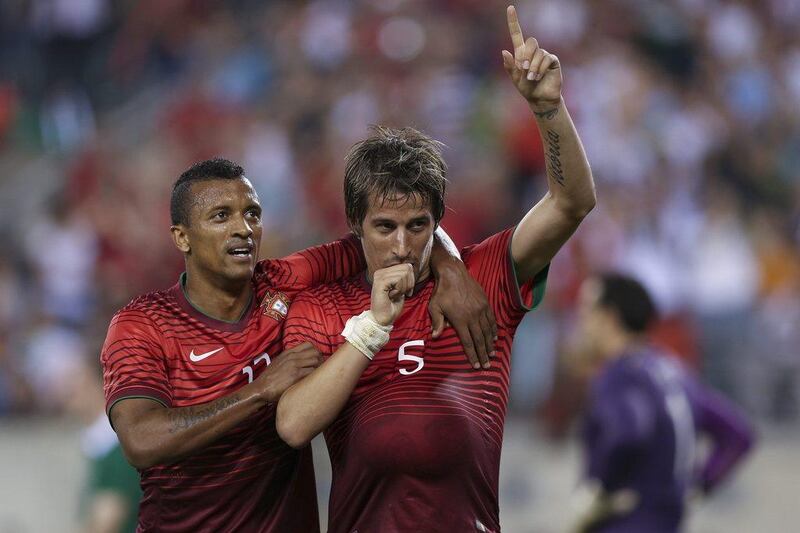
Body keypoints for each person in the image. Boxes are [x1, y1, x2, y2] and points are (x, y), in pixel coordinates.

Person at [275, 6, 596, 531]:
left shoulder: (487, 276)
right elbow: (292, 426)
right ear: (355, 224)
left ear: (439, 220)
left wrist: (549, 109)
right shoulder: (322, 307)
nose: (403, 245)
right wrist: (372, 330)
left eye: (419, 226)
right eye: (384, 228)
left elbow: (572, 204)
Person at [100, 157, 495, 532]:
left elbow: (393, 233)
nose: (244, 228)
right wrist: (260, 391)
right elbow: (142, 441)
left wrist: (452, 267)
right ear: (182, 237)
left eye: (252, 213)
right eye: (222, 216)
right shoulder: (142, 324)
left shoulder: (284, 283)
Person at [571, 273, 755, 533]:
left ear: (609, 318)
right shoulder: (674, 371)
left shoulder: (620, 373)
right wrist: (697, 486)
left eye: (586, 310)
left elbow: (627, 433)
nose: (581, 321)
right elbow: (738, 435)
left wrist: (599, 490)